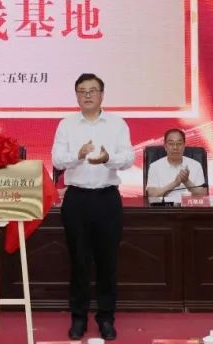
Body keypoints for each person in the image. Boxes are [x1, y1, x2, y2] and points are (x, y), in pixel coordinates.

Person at [51, 73, 133, 342]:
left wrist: (108, 159)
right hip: (76, 200)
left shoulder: (117, 124)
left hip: (107, 199)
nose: (87, 95)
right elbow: (57, 160)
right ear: (76, 95)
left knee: (108, 262)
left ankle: (106, 318)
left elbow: (128, 158)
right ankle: (78, 317)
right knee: (79, 262)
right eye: (82, 91)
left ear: (102, 95)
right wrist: (78, 155)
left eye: (93, 90)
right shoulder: (66, 124)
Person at [146, 128, 208, 202]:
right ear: (165, 147)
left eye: (179, 143)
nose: (175, 147)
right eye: (171, 144)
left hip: (189, 208)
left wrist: (187, 181)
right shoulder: (154, 166)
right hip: (164, 208)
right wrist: (175, 183)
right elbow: (152, 195)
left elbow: (203, 195)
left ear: (184, 146)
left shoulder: (196, 165)